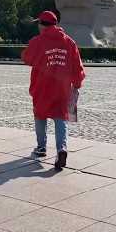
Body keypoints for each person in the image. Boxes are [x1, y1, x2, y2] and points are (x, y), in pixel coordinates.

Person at [21, 11, 85, 169]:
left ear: (42, 25)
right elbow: (77, 66)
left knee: (40, 114)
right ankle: (61, 149)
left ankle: (41, 147)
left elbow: (26, 58)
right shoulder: (69, 42)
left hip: (42, 86)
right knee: (61, 117)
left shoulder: (37, 41)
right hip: (62, 87)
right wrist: (77, 84)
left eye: (38, 23)